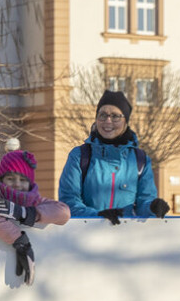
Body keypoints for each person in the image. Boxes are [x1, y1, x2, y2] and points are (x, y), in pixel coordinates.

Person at [58, 90, 169, 224]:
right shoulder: (80, 156)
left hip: (126, 237)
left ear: (126, 121)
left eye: (115, 116)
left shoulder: (140, 159)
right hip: (86, 236)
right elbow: (69, 201)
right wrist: (98, 215)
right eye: (102, 115)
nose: (108, 121)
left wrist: (152, 207)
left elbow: (143, 202)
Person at [0, 149, 70, 286]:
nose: (17, 184)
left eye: (23, 180)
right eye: (10, 178)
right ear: (1, 180)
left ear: (30, 183)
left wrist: (25, 213)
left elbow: (64, 213)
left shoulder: (34, 200)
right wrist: (21, 242)